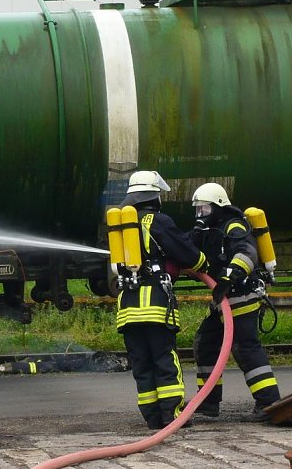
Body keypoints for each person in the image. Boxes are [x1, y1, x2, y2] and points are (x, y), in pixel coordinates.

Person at [116, 170, 208, 430]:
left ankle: (153, 418)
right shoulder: (158, 221)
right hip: (155, 304)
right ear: (155, 196)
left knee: (141, 364)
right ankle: (173, 415)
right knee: (164, 359)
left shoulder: (121, 225)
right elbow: (188, 255)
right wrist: (204, 263)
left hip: (127, 307)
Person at [189, 182, 281, 421]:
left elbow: (247, 253)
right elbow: (187, 247)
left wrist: (228, 278)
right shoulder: (209, 229)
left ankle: (269, 403)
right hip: (224, 299)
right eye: (197, 210)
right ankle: (208, 402)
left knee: (245, 347)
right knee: (206, 343)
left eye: (204, 210)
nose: (200, 215)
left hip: (242, 294)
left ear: (219, 207)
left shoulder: (234, 225)